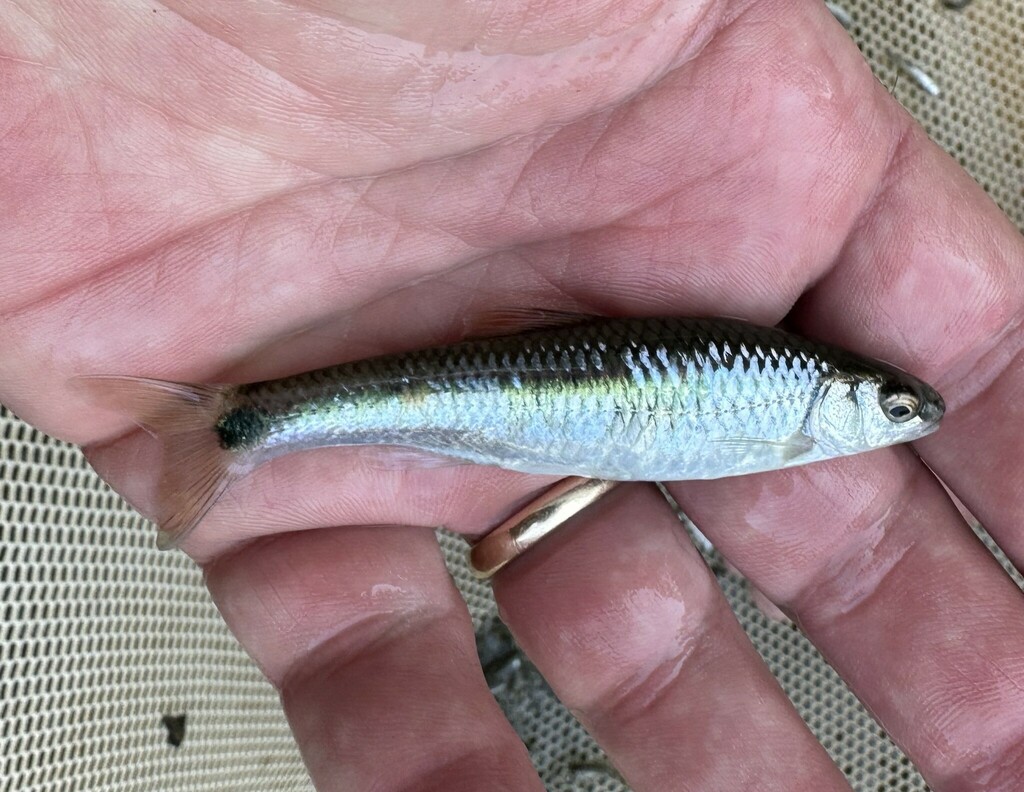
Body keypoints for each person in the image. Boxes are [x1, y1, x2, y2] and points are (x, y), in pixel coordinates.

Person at [1, 2, 1021, 789]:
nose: (906, 418)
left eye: (895, 408)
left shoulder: (787, 399)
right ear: (837, 390)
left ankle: (247, 423)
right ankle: (245, 423)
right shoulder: (788, 396)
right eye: (890, 406)